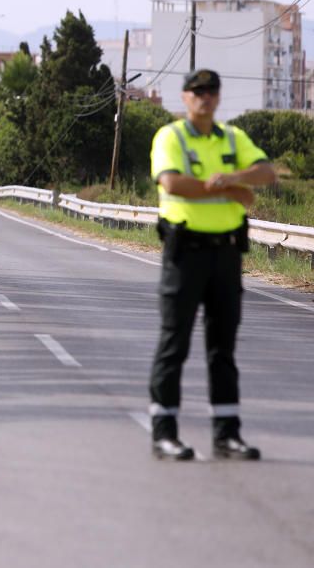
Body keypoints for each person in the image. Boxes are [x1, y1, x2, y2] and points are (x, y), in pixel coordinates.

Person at [148, 69, 276, 461]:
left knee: (223, 349)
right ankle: (165, 434)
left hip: (225, 255)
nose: (205, 97)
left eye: (211, 91)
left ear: (218, 98)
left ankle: (227, 434)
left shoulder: (232, 138)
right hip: (185, 253)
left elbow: (266, 174)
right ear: (185, 98)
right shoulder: (172, 136)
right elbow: (172, 183)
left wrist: (234, 177)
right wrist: (226, 189)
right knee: (175, 344)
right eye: (197, 91)